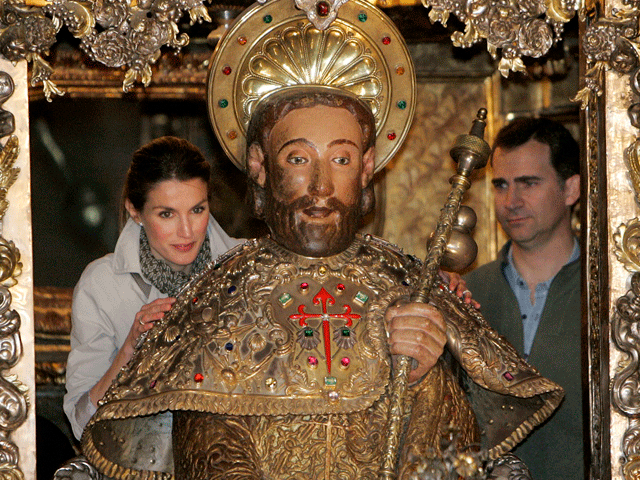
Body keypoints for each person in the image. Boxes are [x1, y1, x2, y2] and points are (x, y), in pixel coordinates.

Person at [63, 136, 243, 440]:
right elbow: (82, 425)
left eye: (197, 210)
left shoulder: (245, 267)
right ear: (135, 212)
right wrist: (129, 351)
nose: (186, 231)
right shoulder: (101, 284)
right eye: (167, 214)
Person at [464, 117, 582, 480]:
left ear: (570, 189)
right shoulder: (468, 294)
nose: (511, 201)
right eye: (501, 185)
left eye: (528, 183)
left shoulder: (612, 293)